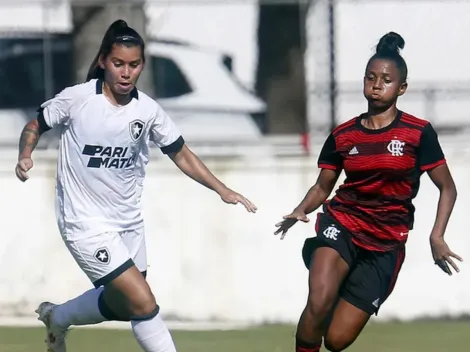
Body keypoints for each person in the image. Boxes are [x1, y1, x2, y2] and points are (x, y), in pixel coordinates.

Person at [15, 19, 257, 352]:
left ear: (142, 65)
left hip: (128, 223)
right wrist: (25, 155)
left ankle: (58, 317)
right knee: (143, 302)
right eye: (118, 64)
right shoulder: (79, 99)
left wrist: (221, 189)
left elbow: (181, 153)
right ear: (103, 62)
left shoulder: (147, 110)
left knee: (124, 304)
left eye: (134, 64)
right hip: (84, 224)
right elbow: (34, 125)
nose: (126, 72)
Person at [274, 31, 462, 352]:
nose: (377, 85)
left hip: (386, 243)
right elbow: (323, 186)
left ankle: (341, 293)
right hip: (342, 224)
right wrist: (301, 209)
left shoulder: (418, 133)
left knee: (335, 340)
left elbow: (447, 188)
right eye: (371, 77)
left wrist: (437, 236)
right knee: (317, 303)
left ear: (401, 88)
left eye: (386, 80)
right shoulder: (343, 135)